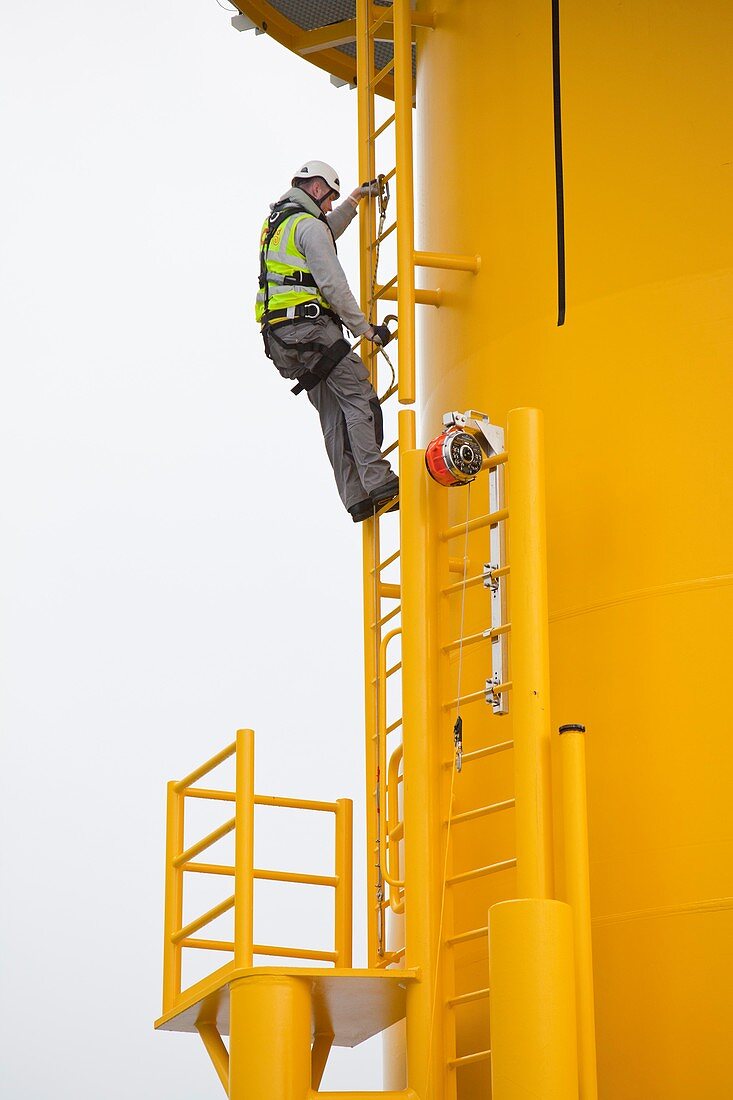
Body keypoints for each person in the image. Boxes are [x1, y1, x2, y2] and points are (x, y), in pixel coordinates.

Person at [256, 160, 399, 523]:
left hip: (283, 342)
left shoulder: (278, 225)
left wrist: (353, 202)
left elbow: (323, 231)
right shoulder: (308, 226)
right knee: (357, 396)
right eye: (330, 198)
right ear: (317, 189)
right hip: (312, 331)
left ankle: (357, 499)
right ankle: (379, 481)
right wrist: (366, 329)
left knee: (333, 413)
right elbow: (334, 286)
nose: (331, 207)